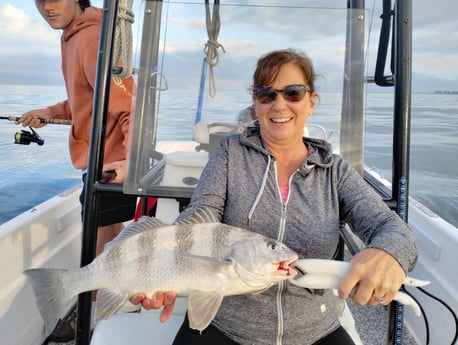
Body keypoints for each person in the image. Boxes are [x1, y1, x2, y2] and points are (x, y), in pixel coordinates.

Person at [131, 49, 418, 345]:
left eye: (293, 93)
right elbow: (201, 212)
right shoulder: (230, 153)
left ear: (311, 101)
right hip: (228, 325)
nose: (279, 104)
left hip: (314, 330)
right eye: (267, 94)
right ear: (256, 103)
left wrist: (388, 253)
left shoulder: (336, 172)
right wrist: (166, 264)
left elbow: (394, 229)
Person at [19, 0, 137, 341]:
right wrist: (48, 110)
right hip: (101, 164)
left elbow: (128, 108)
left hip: (110, 168)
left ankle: (100, 324)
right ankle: (106, 311)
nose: (47, 7)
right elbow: (84, 101)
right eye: (39, 0)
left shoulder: (89, 39)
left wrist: (128, 163)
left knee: (101, 253)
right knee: (108, 246)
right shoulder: (71, 35)